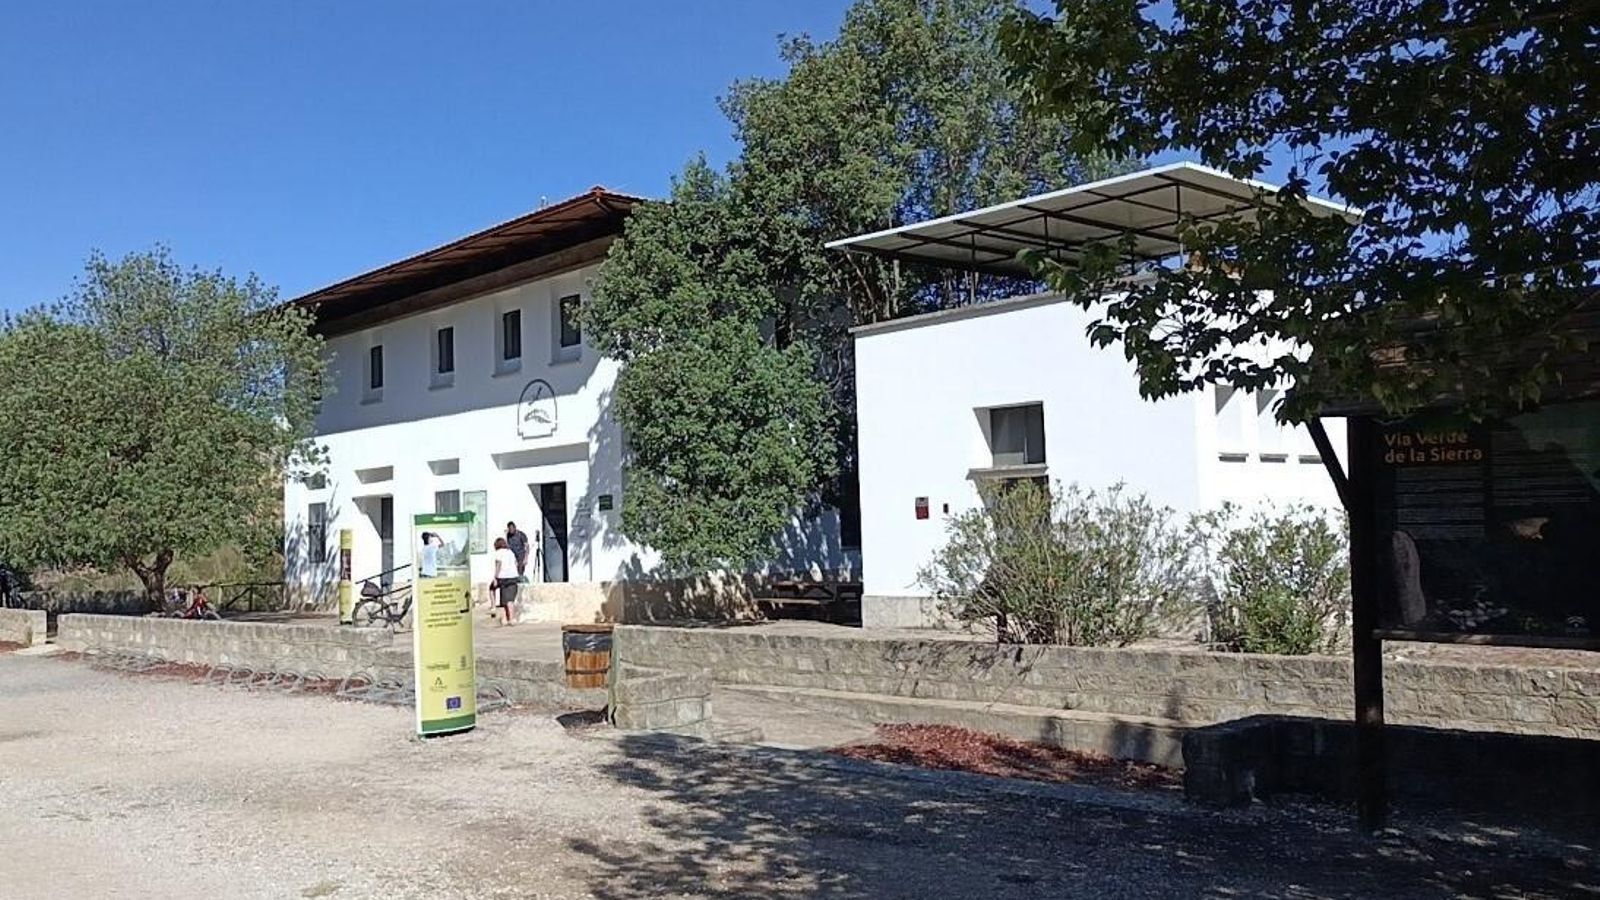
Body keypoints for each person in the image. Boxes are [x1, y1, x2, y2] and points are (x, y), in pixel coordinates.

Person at [490, 536, 519, 625]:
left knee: (492, 588)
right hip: (513, 576)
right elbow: (516, 563)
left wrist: (495, 577)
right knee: (510, 600)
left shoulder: (498, 553)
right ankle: (512, 618)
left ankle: (493, 606)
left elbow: (498, 564)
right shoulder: (510, 552)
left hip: (503, 577)